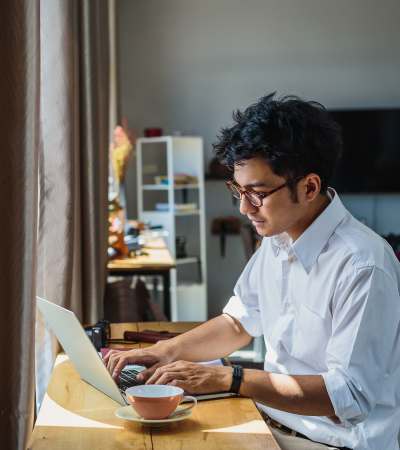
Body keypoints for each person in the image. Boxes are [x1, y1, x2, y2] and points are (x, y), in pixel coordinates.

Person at [104, 93, 400, 450]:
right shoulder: (278, 241)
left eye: (257, 193)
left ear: (309, 187)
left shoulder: (363, 265)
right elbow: (237, 323)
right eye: (238, 190)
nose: (245, 207)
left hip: (331, 442)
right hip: (269, 420)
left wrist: (229, 378)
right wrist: (167, 351)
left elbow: (347, 397)